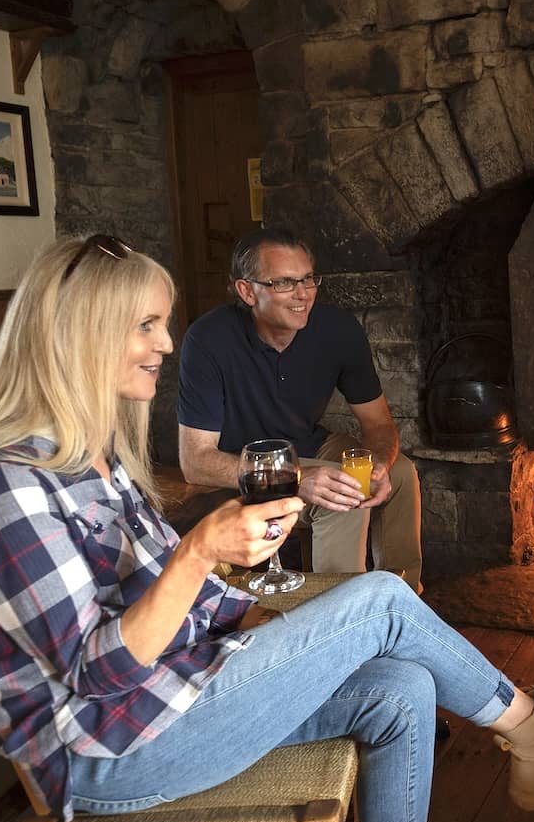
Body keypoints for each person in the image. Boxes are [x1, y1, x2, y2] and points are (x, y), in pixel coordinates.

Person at [0, 235, 534, 822]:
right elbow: (99, 673)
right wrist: (201, 551)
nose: (164, 342)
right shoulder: (1, 484)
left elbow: (178, 602)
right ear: (79, 334)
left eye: (163, 322)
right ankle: (533, 729)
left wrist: (273, 619)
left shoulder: (91, 460)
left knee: (401, 682)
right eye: (146, 325)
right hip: (111, 751)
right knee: (377, 597)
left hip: (175, 693)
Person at [177, 228, 423, 591]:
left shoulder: (338, 330)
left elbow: (379, 424)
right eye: (284, 283)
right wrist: (299, 478)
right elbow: (195, 461)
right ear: (247, 291)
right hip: (244, 467)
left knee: (401, 473)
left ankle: (402, 599)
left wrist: (381, 464)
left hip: (309, 445)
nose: (303, 294)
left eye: (308, 279)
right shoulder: (208, 340)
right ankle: (338, 617)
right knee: (341, 490)